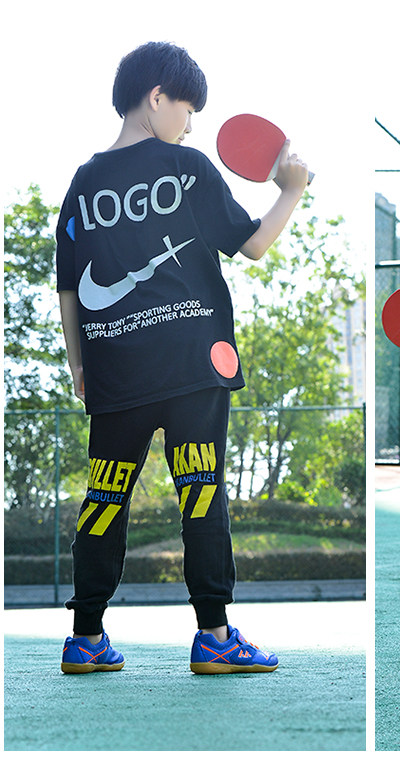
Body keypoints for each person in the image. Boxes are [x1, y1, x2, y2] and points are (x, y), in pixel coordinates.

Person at [55, 41, 309, 674]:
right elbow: (252, 244)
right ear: (157, 96)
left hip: (115, 368)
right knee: (201, 492)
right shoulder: (187, 167)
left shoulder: (83, 183)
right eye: (188, 109)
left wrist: (80, 365)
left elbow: (69, 287)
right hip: (195, 360)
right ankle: (215, 638)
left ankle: (85, 639)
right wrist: (293, 189)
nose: (191, 125)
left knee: (104, 498)